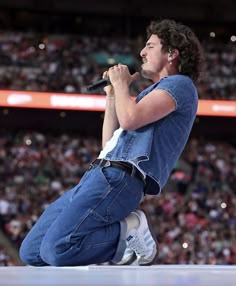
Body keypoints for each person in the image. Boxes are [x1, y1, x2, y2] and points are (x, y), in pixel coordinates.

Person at [19, 19, 203, 266]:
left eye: (150, 45)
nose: (142, 52)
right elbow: (109, 144)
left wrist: (121, 84)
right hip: (100, 173)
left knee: (57, 250)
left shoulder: (180, 84)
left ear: (171, 53)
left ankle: (130, 228)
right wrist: (112, 97)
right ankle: (122, 247)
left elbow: (129, 119)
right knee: (31, 252)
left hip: (120, 179)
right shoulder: (152, 93)